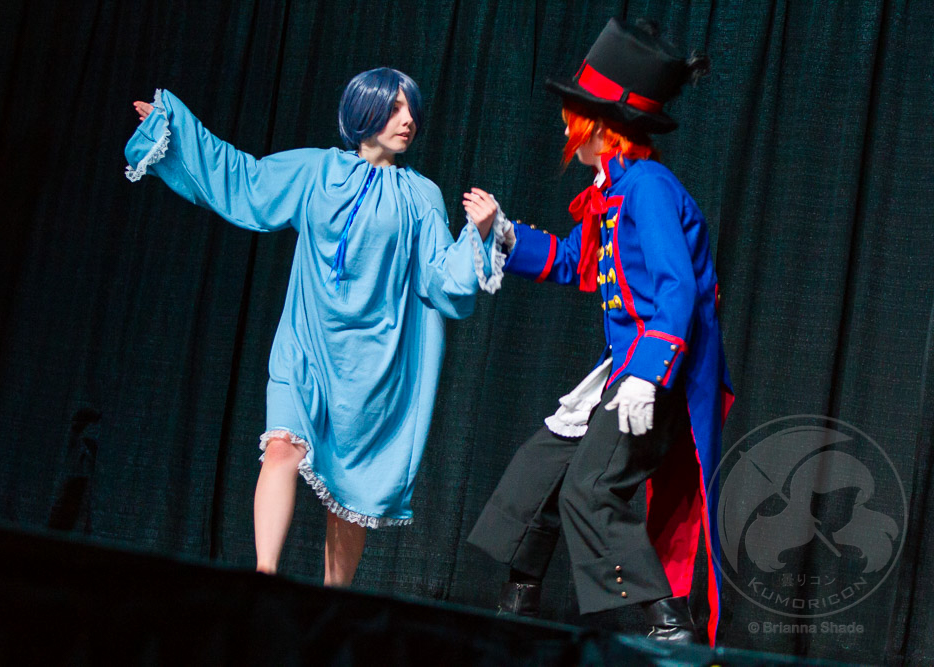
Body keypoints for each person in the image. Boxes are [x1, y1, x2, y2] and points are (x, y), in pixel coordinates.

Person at [125, 68, 506, 586]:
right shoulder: (317, 171)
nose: (408, 120)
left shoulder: (421, 196)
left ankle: (333, 602)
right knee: (281, 447)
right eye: (395, 108)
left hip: (373, 366)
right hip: (306, 345)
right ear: (364, 111)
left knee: (350, 492)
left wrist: (477, 233)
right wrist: (175, 129)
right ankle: (264, 580)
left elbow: (444, 283)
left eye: (411, 110)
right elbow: (245, 179)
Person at [466, 19, 733, 644]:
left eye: (574, 117)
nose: (566, 128)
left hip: (659, 371)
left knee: (591, 487)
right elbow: (576, 262)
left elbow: (678, 289)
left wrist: (647, 375)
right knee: (541, 468)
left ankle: (668, 625)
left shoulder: (649, 189)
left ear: (601, 126)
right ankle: (517, 606)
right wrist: (503, 231)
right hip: (624, 366)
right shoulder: (613, 190)